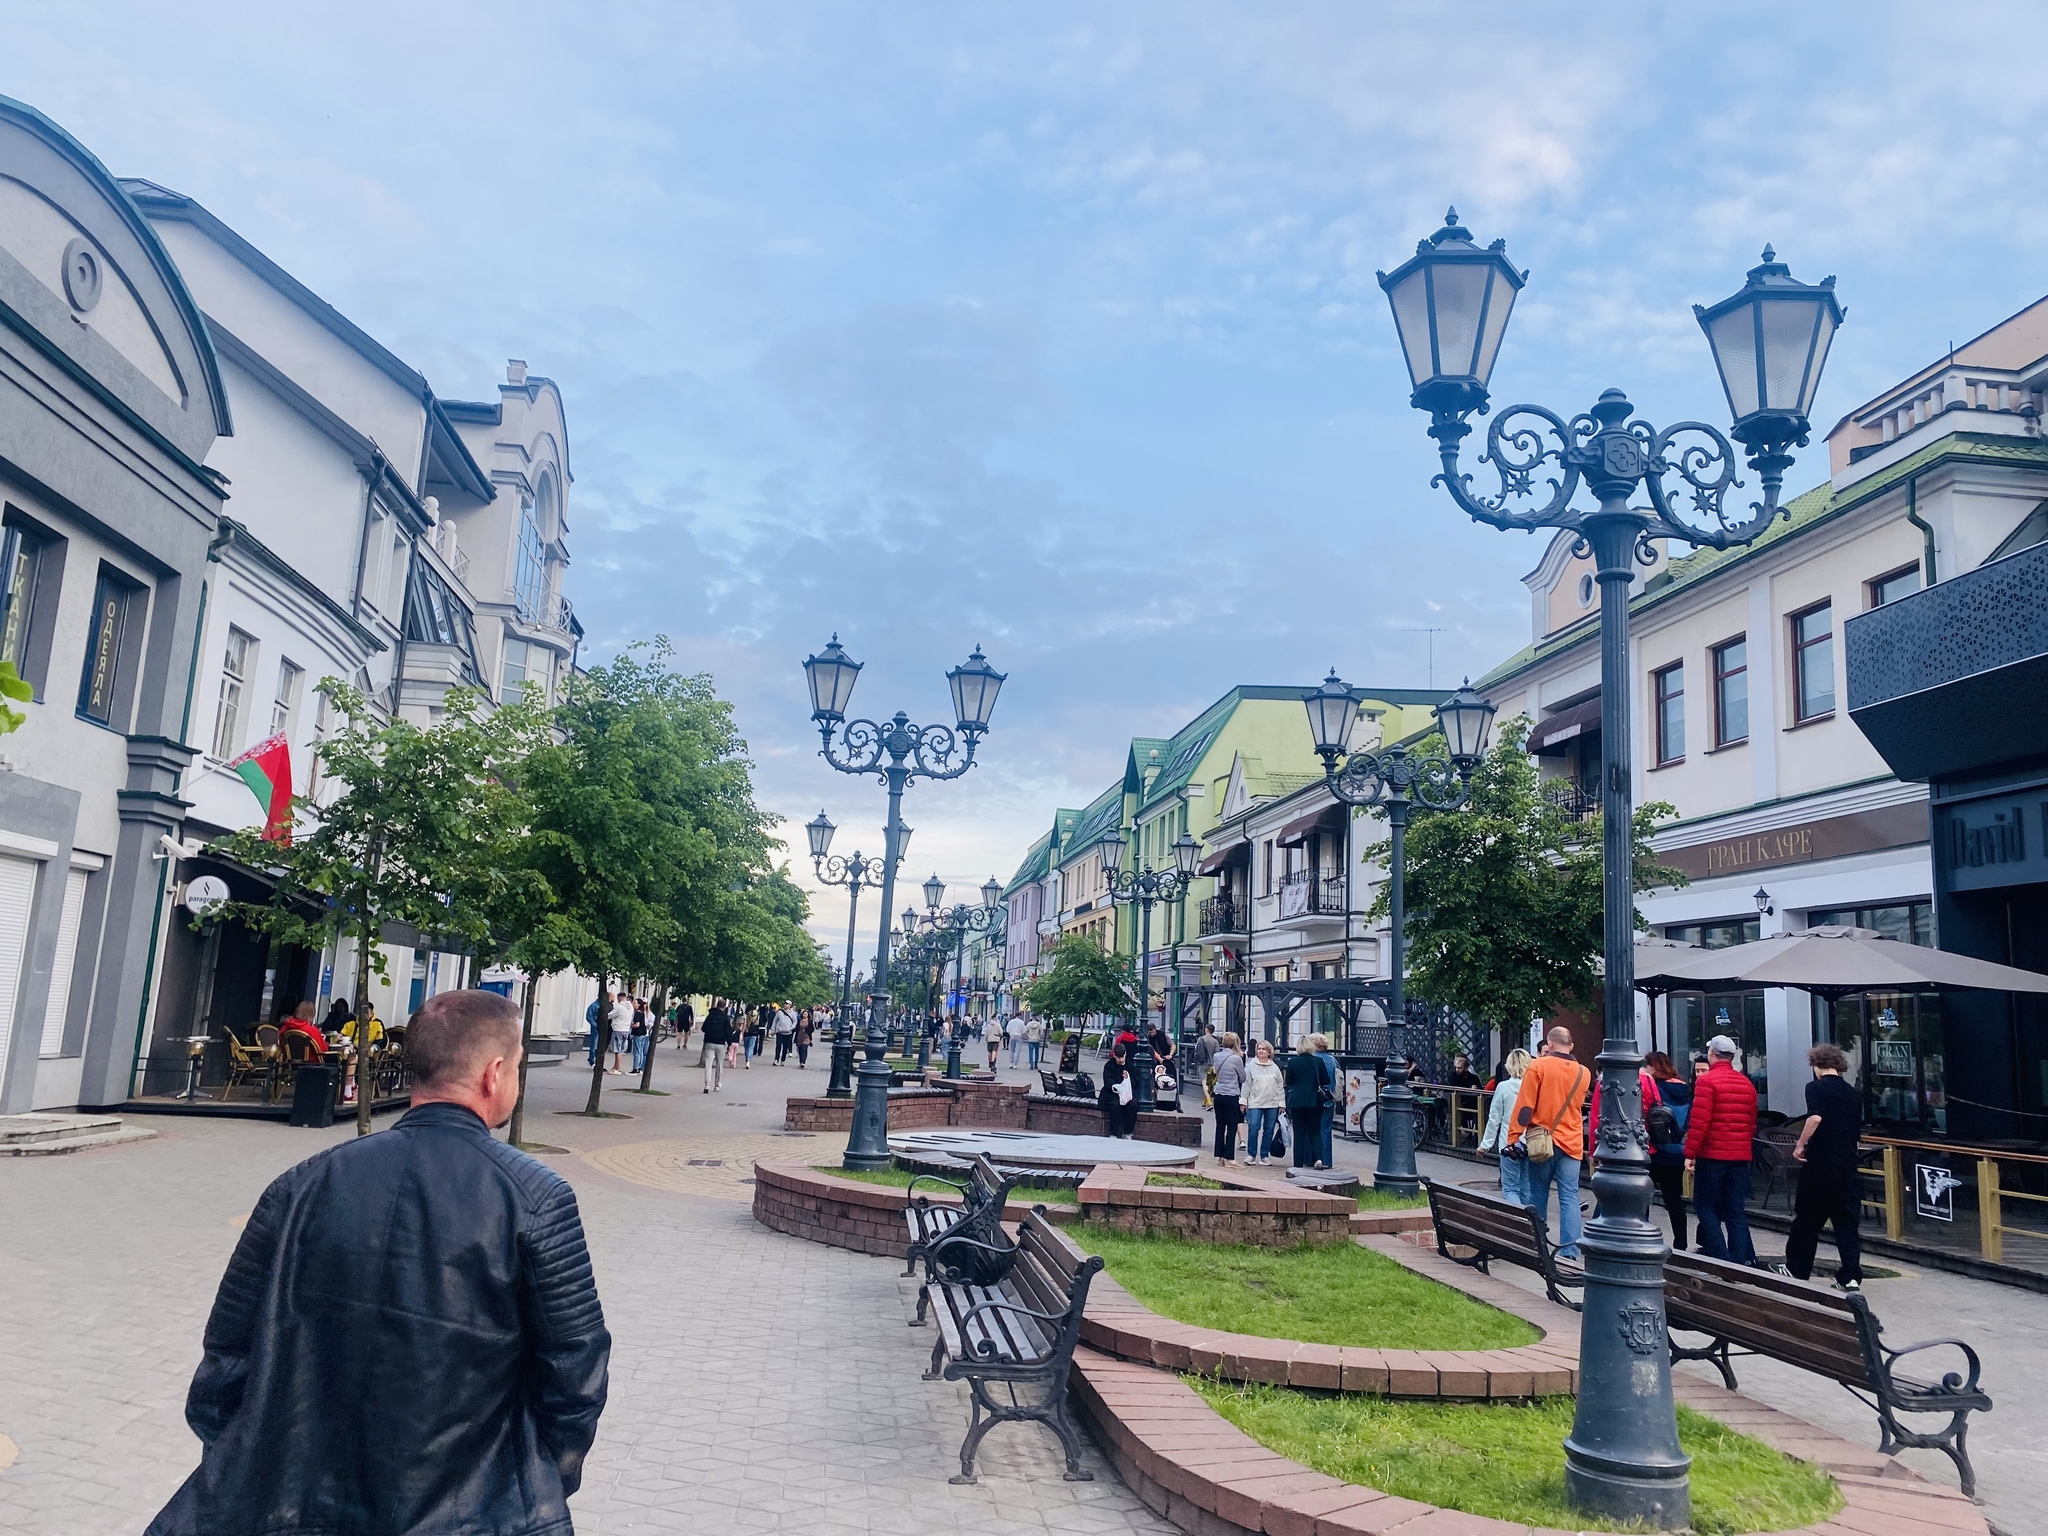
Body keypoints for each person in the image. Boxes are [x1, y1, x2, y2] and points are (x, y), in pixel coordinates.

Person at [147, 990, 609, 1536]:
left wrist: (259, 1464)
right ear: (494, 1074)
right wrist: (531, 1483)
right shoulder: (536, 1197)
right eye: (517, 1069)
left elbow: (226, 1358)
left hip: (299, 1507)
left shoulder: (301, 1184)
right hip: (471, 1510)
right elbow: (575, 1375)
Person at [1785, 1043, 1864, 1290]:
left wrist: (1800, 1144)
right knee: (1846, 1225)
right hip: (1847, 1166)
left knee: (1807, 1220)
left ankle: (1797, 1269)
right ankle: (1850, 1276)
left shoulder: (1815, 1087)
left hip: (1820, 1165)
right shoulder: (1853, 1093)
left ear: (1815, 1065)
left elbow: (1815, 1117)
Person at [1508, 1027, 1590, 1261]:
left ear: (1550, 1044)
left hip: (1542, 1140)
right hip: (1572, 1142)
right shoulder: (1583, 1072)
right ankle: (1570, 1252)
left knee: (1538, 1193)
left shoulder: (1538, 1066)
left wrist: (1513, 1138)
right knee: (1570, 1196)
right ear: (1571, 1045)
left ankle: (1538, 1245)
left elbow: (1525, 1106)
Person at [1685, 1033, 1760, 1265]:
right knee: (1735, 1210)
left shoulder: (1706, 1082)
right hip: (1739, 1155)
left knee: (1704, 1204)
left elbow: (1699, 1121)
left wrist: (1690, 1153)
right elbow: (1751, 1122)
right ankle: (1739, 1262)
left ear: (1712, 1054)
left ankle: (1720, 1257)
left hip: (1712, 1154)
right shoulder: (1746, 1083)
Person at [1644, 1051, 1692, 1251]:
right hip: (1677, 1150)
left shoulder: (1655, 1087)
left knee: (1641, 1197)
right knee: (1673, 1201)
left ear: (1653, 1067)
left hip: (1655, 1150)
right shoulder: (1685, 1089)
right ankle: (1681, 1243)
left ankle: (1642, 1237)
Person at [1480, 1048, 1532, 1203]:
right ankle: (1527, 1214)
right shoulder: (1534, 1087)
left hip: (1509, 1143)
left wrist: (1485, 1144)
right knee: (1526, 1186)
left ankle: (1516, 1214)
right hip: (1531, 1141)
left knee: (1510, 1188)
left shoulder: (1503, 1087)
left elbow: (1494, 1118)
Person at [1242, 1039, 1285, 1167]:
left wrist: (1281, 1103)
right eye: (1259, 1049)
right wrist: (1243, 1101)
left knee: (1269, 1130)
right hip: (1255, 1102)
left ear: (1269, 1052)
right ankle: (1251, 1155)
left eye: (1263, 1049)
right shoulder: (1251, 1067)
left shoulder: (1275, 1068)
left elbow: (1280, 1087)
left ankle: (1264, 1155)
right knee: (1254, 1127)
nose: (1260, 1051)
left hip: (1272, 1104)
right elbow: (1246, 1085)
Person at [1283, 1040, 1325, 1170]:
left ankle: (1298, 1163)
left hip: (1297, 1102)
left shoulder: (1292, 1062)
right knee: (1315, 1131)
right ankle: (1318, 1159)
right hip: (1314, 1101)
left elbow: (1289, 1082)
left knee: (1299, 1133)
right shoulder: (1318, 1061)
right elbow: (1326, 1080)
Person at [1210, 1031, 1246, 1164]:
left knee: (1220, 1125)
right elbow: (1243, 1077)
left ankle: (1219, 1156)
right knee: (1231, 1126)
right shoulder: (1237, 1058)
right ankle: (1229, 1157)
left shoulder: (1216, 1056)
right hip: (1231, 1095)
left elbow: (1216, 1071)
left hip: (1218, 1094)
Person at [1312, 1034, 1340, 1169]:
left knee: (1311, 1129)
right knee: (1326, 1129)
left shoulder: (1313, 1059)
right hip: (1329, 1097)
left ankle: (1312, 1158)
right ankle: (1327, 1160)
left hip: (1315, 1098)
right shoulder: (1332, 1060)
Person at [1098, 1042, 1136, 1138]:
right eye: (1118, 1057)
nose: (1120, 1060)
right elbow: (1107, 1081)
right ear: (1114, 1055)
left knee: (1133, 1105)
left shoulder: (1130, 1066)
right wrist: (1116, 1087)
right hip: (1112, 1094)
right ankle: (1113, 1132)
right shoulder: (1109, 1065)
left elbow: (1136, 1082)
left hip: (1127, 1093)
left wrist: (1128, 1078)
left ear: (1125, 1054)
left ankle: (1128, 1132)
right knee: (1116, 1105)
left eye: (1122, 1057)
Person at [700, 1000, 734, 1093]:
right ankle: (717, 1085)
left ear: (716, 1005)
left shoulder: (710, 1016)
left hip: (709, 1043)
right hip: (720, 1044)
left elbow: (703, 1028)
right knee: (719, 1065)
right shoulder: (725, 1018)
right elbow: (728, 1032)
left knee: (708, 1064)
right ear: (724, 1006)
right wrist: (729, 1043)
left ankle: (707, 1085)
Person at [1188, 1024, 1218, 1108]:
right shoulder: (1215, 1041)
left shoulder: (1201, 1039)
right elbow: (1217, 1053)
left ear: (1206, 1029)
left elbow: (1196, 1050)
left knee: (1204, 1083)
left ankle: (1209, 1101)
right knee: (1210, 1083)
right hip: (1212, 1064)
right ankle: (1204, 1101)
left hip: (1202, 1064)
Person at [606, 992, 634, 1076]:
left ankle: (617, 1068)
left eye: (618, 999)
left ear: (620, 998)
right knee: (620, 1050)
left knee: (617, 1050)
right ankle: (615, 1067)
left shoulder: (619, 1007)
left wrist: (603, 1014)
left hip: (618, 1029)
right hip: (626, 1030)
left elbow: (609, 1015)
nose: (617, 1001)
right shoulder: (631, 1007)